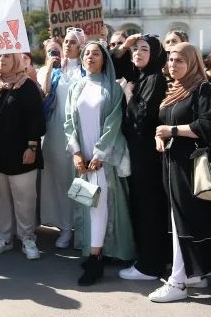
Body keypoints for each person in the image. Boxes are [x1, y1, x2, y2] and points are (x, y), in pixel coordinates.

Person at [148, 42, 211, 302]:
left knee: (183, 221)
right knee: (179, 220)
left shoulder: (202, 88)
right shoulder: (176, 89)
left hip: (192, 165)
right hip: (174, 162)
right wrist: (159, 135)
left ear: (193, 62)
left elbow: (210, 124)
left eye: (180, 61)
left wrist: (171, 131)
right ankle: (192, 273)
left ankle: (177, 281)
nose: (173, 65)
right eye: (171, 60)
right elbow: (165, 122)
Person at [64, 41, 134, 285]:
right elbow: (68, 123)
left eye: (96, 53)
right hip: (83, 157)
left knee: (100, 204)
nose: (90, 57)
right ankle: (95, 251)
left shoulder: (112, 89)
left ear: (104, 58)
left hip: (102, 158)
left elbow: (114, 123)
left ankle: (95, 260)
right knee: (88, 202)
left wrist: (99, 154)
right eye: (86, 54)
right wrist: (75, 152)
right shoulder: (77, 87)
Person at [0, 53, 45, 260]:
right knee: (0, 198)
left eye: (7, 57)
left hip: (22, 154)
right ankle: (3, 237)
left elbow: (36, 119)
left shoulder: (27, 86)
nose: (2, 60)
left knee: (25, 199)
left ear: (16, 60)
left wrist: (32, 147)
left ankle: (27, 238)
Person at [112, 33, 169, 281]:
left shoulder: (154, 79)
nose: (136, 53)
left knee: (148, 209)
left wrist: (128, 98)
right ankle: (148, 259)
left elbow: (142, 118)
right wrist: (124, 46)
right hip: (139, 152)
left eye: (143, 49)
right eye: (135, 49)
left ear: (155, 54)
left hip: (147, 154)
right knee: (142, 207)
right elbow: (115, 67)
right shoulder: (143, 75)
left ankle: (149, 266)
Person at [39, 29, 86, 249]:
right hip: (56, 130)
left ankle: (83, 227)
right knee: (60, 181)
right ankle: (66, 227)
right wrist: (49, 66)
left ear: (81, 46)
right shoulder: (58, 71)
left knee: (80, 180)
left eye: (73, 42)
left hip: (81, 132)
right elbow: (45, 92)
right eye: (66, 41)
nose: (67, 45)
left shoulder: (86, 70)